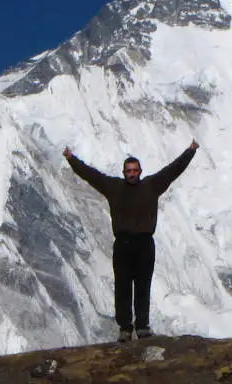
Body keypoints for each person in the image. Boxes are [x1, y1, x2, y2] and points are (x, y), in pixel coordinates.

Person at [62, 139, 199, 342]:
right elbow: (90, 175)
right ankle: (125, 328)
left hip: (145, 243)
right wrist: (71, 158)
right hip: (123, 244)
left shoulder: (152, 185)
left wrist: (190, 151)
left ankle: (142, 326)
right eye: (129, 171)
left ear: (140, 171)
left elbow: (173, 170)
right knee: (123, 287)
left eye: (135, 170)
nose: (132, 173)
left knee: (143, 286)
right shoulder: (113, 187)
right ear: (124, 172)